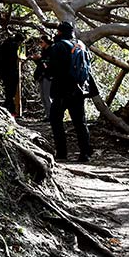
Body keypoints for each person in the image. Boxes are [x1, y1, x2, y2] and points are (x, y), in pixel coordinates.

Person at [43, 21, 92, 162]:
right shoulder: (80, 45)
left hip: (62, 89)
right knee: (80, 122)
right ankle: (85, 153)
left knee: (55, 119)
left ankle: (61, 153)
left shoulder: (58, 46)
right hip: (79, 89)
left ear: (59, 32)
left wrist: (46, 68)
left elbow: (53, 69)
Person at [0, 33, 24, 118]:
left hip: (4, 71)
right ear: (20, 41)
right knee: (11, 92)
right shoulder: (16, 46)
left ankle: (10, 109)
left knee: (8, 91)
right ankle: (9, 110)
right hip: (12, 71)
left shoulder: (5, 44)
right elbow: (20, 58)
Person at [30, 33, 52, 120]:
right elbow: (41, 64)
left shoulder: (51, 50)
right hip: (41, 75)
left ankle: (52, 116)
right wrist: (37, 59)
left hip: (48, 76)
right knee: (43, 97)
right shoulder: (43, 51)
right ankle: (48, 115)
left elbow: (47, 64)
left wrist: (40, 59)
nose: (40, 44)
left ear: (46, 42)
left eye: (41, 42)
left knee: (47, 96)